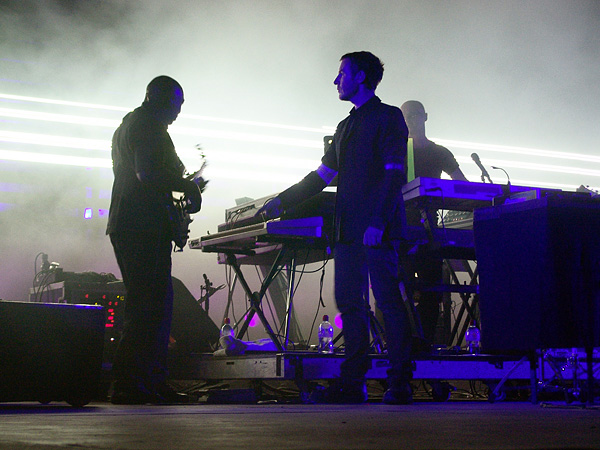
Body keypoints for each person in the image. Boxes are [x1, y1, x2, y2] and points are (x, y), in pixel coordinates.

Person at [258, 52, 413, 404]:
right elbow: (321, 177)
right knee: (349, 302)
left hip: (377, 228)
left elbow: (394, 174)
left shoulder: (388, 117)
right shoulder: (345, 127)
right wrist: (284, 200)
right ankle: (353, 381)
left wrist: (377, 221)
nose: (335, 80)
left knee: (387, 301)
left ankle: (400, 382)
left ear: (360, 76)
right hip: (347, 231)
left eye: (341, 72)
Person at [106, 76, 202, 404]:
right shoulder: (148, 126)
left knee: (152, 306)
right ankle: (133, 385)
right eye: (175, 103)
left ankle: (147, 382)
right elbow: (146, 174)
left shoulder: (130, 124)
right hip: (140, 226)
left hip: (135, 224)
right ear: (155, 98)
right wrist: (188, 187)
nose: (178, 110)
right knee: (149, 307)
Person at [400, 100, 467, 347]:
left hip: (429, 230)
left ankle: (425, 342)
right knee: (400, 289)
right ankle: (402, 343)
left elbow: (462, 185)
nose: (411, 120)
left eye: (416, 115)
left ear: (425, 117)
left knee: (431, 290)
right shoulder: (395, 151)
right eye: (407, 116)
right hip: (401, 229)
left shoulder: (440, 152)